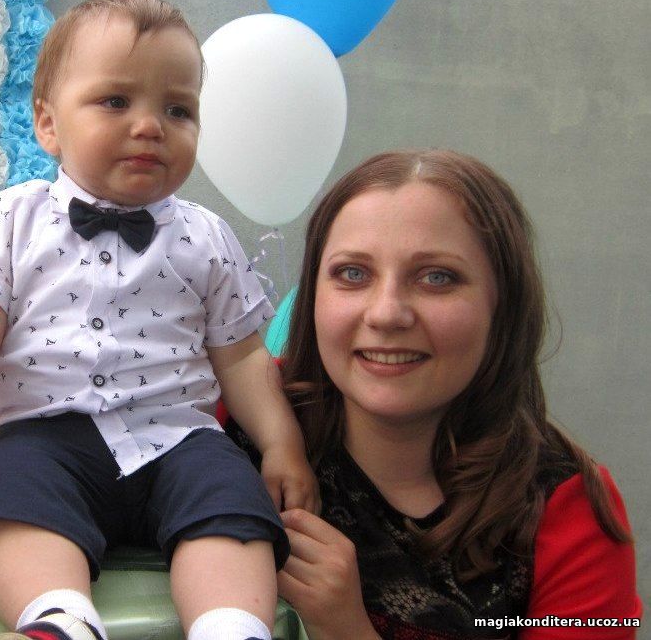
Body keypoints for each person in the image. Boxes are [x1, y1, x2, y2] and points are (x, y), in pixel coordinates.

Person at [0, 0, 317, 640]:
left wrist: (281, 444)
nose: (150, 126)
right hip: (45, 438)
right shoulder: (8, 218)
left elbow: (240, 357)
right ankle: (56, 617)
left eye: (178, 109)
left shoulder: (207, 237)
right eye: (116, 101)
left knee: (230, 500)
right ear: (48, 124)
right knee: (10, 493)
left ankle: (231, 624)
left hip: (178, 437)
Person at [239, 149, 641, 639]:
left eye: (437, 277)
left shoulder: (570, 512)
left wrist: (349, 630)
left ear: (503, 305)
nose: (386, 314)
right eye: (353, 273)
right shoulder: (232, 414)